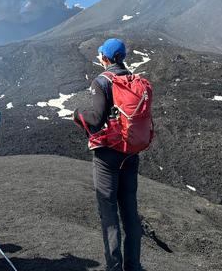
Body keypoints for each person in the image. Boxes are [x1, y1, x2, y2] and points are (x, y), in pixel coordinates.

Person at [73, 38, 143, 271]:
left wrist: (77, 113)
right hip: (130, 153)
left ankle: (114, 268)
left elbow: (96, 118)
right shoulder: (134, 80)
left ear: (105, 57)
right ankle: (133, 266)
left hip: (107, 156)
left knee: (109, 213)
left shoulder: (102, 81)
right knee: (130, 213)